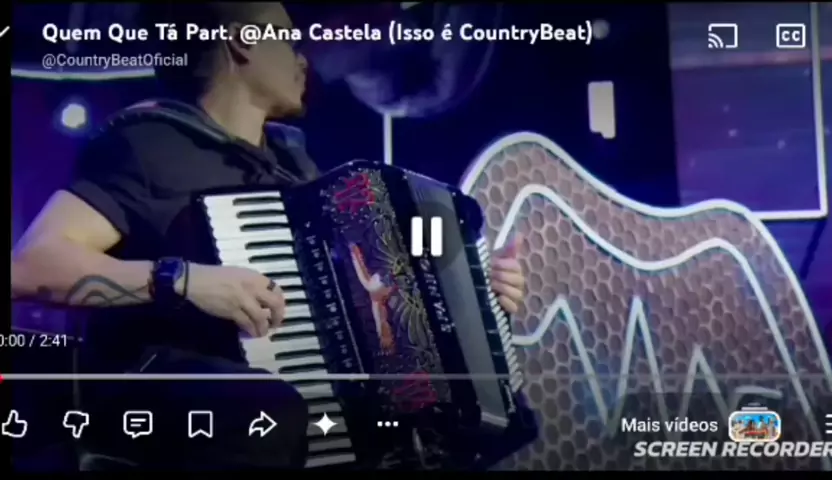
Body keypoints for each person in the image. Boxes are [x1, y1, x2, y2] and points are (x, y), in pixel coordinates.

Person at [10, 2, 527, 470]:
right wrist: (184, 281)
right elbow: (29, 267)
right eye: (287, 39)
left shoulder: (295, 167)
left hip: (288, 415)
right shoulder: (151, 145)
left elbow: (376, 298)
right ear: (244, 43)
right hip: (179, 406)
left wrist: (474, 292)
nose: (303, 58)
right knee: (275, 409)